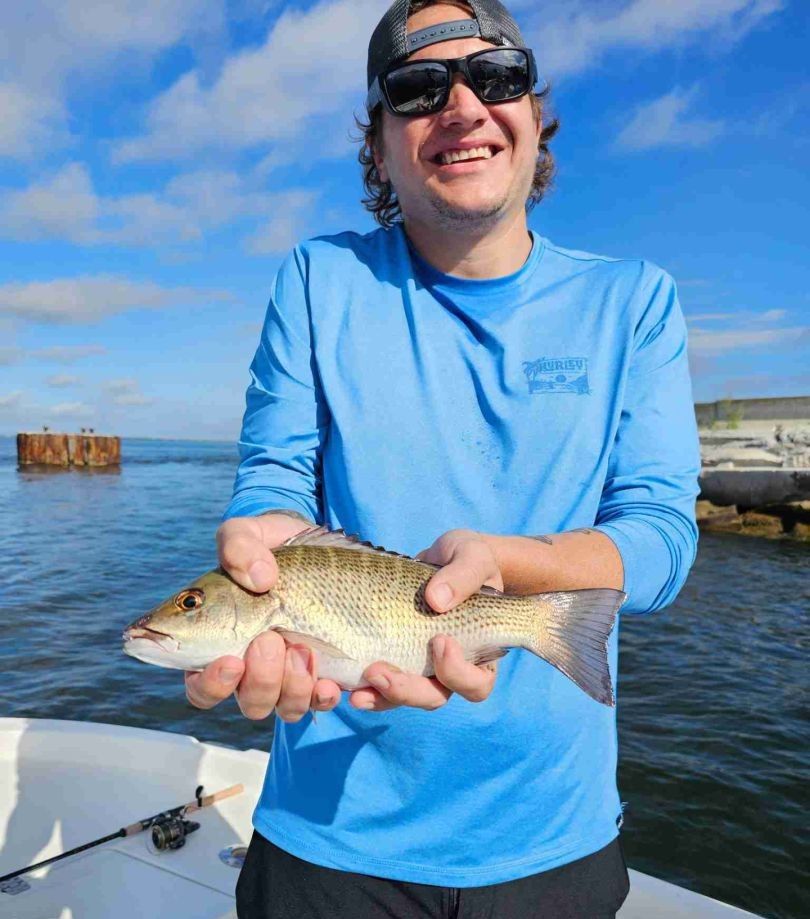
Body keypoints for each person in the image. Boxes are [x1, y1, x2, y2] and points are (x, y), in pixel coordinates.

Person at [185, 0, 701, 915]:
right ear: (378, 144)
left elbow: (660, 531)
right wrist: (264, 536)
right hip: (329, 837)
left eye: (496, 79)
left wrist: (510, 567)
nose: (462, 106)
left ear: (534, 113)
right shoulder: (319, 279)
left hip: (552, 832)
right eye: (418, 89)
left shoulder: (635, 301)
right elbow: (275, 476)